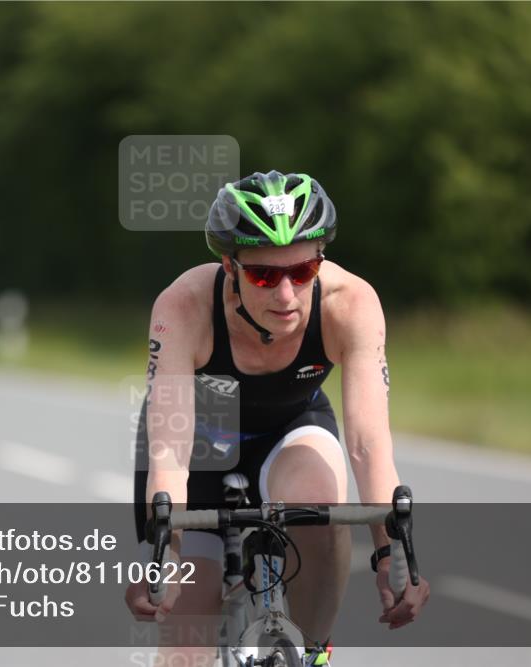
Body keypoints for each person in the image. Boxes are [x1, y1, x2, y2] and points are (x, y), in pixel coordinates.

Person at [126, 171, 430, 665]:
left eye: (303, 272)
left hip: (291, 428)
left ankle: (313, 652)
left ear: (320, 262)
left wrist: (389, 554)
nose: (287, 295)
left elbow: (369, 444)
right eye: (265, 276)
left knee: (320, 508)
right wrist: (165, 556)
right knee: (185, 651)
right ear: (229, 265)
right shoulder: (183, 306)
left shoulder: (350, 304)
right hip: (197, 448)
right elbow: (170, 451)